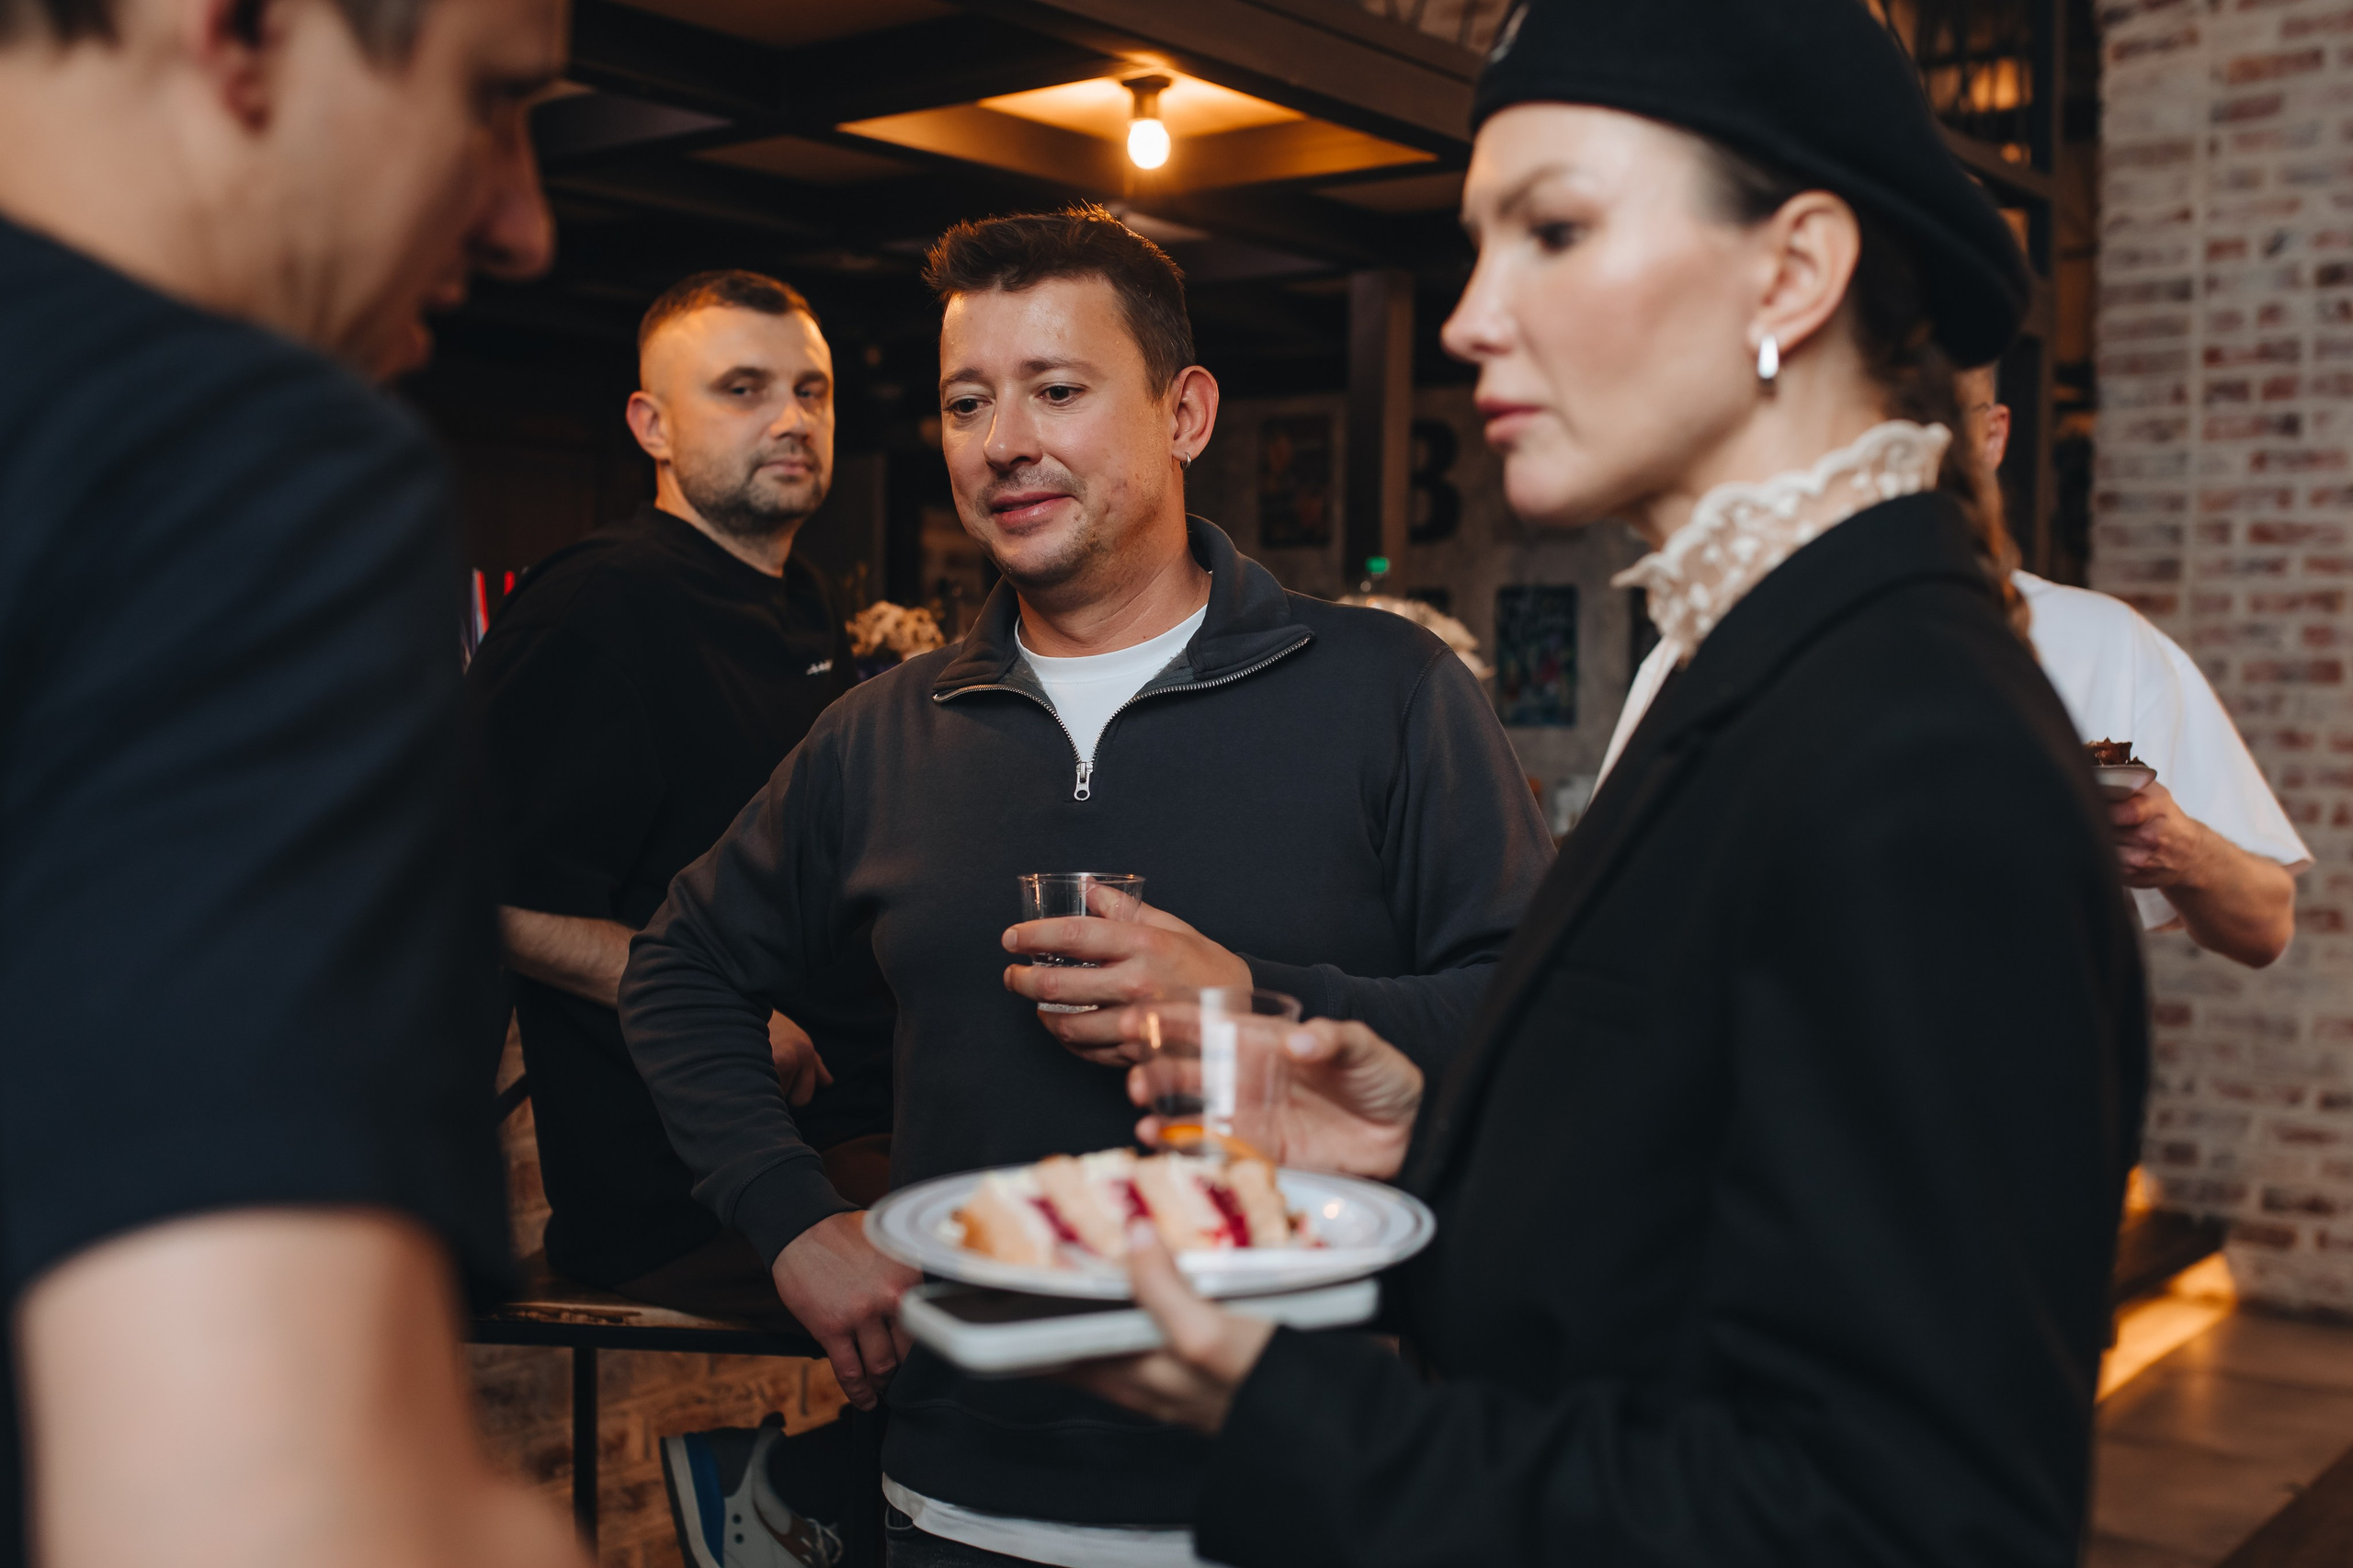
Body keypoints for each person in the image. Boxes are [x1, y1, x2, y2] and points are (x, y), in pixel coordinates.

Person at [1064, 5, 2150, 1566]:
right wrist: (1435, 1145)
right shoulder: (1762, 668)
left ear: (1791, 272)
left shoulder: (1919, 746)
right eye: (1477, 242)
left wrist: (1289, 1413)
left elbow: (1900, 1520)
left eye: (1553, 229)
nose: (1469, 317)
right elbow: (1719, 1232)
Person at [620, 205, 1554, 1568]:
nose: (1005, 441)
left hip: (1301, 1490)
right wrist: (790, 1218)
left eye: (1057, 389)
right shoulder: (884, 730)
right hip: (953, 1500)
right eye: (966, 400)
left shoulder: (1390, 696)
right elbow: (680, 967)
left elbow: (1539, 1020)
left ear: (1185, 412)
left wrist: (1254, 997)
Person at [0, 0, 584, 1557]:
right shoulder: (230, 472)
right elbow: (261, 1519)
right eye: (493, 99)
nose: (525, 221)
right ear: (238, 34)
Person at [470, 269, 889, 1567]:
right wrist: (706, 1001)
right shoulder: (597, 606)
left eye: (810, 389)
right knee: (998, 1295)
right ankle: (791, 1505)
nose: (791, 419)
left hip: (852, 1123)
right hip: (684, 1187)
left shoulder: (800, 601)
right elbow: (468, 894)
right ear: (653, 425)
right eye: (744, 389)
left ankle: (814, 1502)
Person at [1962, 367, 2310, 966]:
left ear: (1991, 439)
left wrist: (2184, 850)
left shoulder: (2101, 643)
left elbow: (2267, 924)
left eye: (1938, 423)